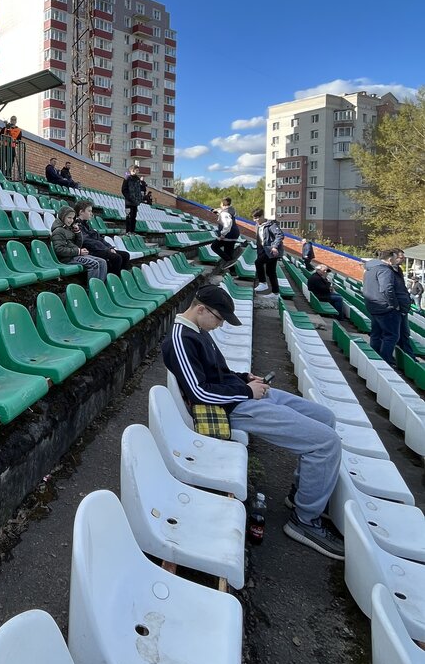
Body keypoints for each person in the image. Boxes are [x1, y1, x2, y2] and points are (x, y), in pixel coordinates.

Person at [162, 284, 343, 559]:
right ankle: (305, 521)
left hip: (240, 395)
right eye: (219, 319)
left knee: (324, 417)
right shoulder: (179, 339)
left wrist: (245, 378)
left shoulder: (198, 330)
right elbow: (199, 392)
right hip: (233, 409)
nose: (219, 325)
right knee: (326, 443)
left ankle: (301, 494)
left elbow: (218, 373)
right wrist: (247, 391)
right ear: (201, 309)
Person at [364, 249, 414, 366]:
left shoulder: (371, 269)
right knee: (392, 335)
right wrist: (395, 305)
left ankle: (375, 358)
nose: (402, 259)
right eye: (400, 257)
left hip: (375, 306)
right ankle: (386, 361)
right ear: (391, 257)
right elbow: (386, 289)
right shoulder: (385, 270)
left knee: (377, 334)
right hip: (387, 308)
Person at [50, 206, 108, 280]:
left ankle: (100, 286)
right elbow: (59, 250)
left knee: (102, 262)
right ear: (62, 217)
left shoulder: (68, 228)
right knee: (94, 264)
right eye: (69, 218)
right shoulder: (58, 231)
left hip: (73, 255)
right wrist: (78, 251)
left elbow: (77, 245)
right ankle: (92, 288)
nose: (71, 220)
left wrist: (77, 233)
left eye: (72, 218)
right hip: (67, 258)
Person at [73, 199, 125, 276]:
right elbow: (87, 241)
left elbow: (99, 238)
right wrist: (106, 249)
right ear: (81, 212)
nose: (91, 214)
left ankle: (120, 280)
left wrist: (110, 247)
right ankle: (111, 282)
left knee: (125, 255)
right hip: (90, 250)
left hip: (98, 249)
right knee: (116, 258)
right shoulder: (77, 225)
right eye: (89, 211)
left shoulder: (86, 224)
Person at [252, 208, 283, 295]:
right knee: (270, 272)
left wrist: (274, 247)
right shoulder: (258, 225)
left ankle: (263, 283)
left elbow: (279, 235)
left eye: (257, 217)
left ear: (262, 216)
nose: (256, 220)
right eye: (254, 218)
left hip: (271, 251)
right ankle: (275, 293)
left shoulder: (271, 225)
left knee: (258, 263)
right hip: (264, 251)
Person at [210, 197, 240, 265]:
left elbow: (227, 224)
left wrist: (222, 235)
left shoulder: (224, 213)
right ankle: (232, 271)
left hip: (228, 234)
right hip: (234, 234)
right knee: (228, 252)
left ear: (223, 203)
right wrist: (217, 210)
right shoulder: (231, 210)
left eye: (221, 203)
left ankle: (230, 261)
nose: (220, 204)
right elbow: (223, 212)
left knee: (214, 246)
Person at [121, 165, 143, 234]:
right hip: (128, 202)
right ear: (132, 170)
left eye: (138, 170)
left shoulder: (137, 179)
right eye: (136, 170)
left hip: (135, 202)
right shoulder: (127, 178)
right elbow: (124, 190)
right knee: (129, 217)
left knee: (134, 217)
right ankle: (128, 232)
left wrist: (140, 198)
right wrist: (129, 198)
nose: (138, 172)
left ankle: (133, 231)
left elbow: (139, 190)